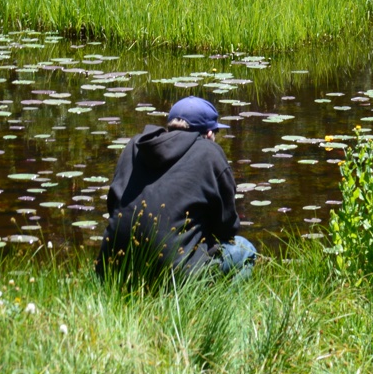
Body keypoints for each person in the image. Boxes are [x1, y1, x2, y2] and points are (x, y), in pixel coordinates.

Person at [97, 96, 256, 282]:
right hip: (174, 277)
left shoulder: (135, 147)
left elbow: (114, 206)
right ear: (210, 134)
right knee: (245, 250)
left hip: (113, 271)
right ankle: (213, 307)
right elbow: (227, 227)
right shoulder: (209, 152)